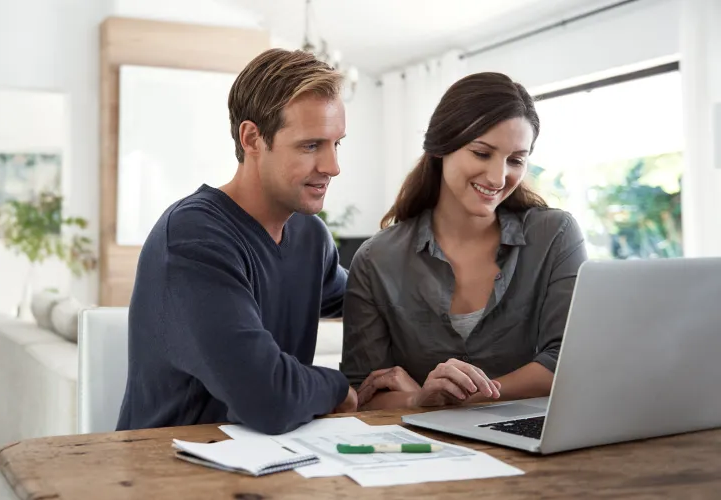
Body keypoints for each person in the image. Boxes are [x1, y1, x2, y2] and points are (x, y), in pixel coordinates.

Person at [116, 48, 358, 435]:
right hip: (170, 471)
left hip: (274, 461)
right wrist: (340, 387)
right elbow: (267, 397)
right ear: (252, 138)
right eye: (311, 145)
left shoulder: (311, 237)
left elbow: (371, 301)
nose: (332, 166)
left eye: (337, 144)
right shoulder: (192, 237)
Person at [341, 72, 588, 411]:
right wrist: (419, 398)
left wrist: (465, 397)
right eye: (482, 153)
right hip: (427, 451)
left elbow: (568, 360)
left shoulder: (555, 236)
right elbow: (365, 391)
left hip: (535, 439)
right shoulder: (375, 259)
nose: (499, 177)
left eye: (516, 159)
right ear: (442, 146)